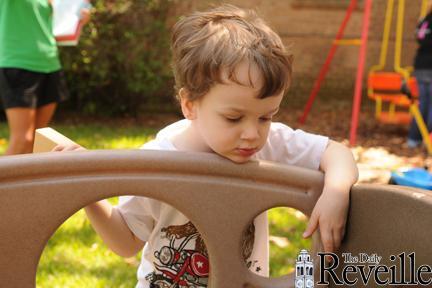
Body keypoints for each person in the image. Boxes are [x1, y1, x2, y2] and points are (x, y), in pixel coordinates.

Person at [54, 5, 358, 287]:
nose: (252, 133)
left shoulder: (268, 144)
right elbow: (125, 241)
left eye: (266, 117)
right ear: (190, 105)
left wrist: (336, 192)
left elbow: (337, 153)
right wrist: (89, 196)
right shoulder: (156, 161)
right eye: (233, 117)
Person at [0, 0, 90, 155]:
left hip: (49, 64)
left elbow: (54, 31)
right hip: (18, 64)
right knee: (23, 140)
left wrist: (78, 22)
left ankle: (27, 179)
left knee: (37, 140)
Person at [407, 7, 432, 148]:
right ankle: (428, 141)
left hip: (421, 65)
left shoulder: (424, 20)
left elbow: (419, 37)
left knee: (423, 104)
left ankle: (413, 139)